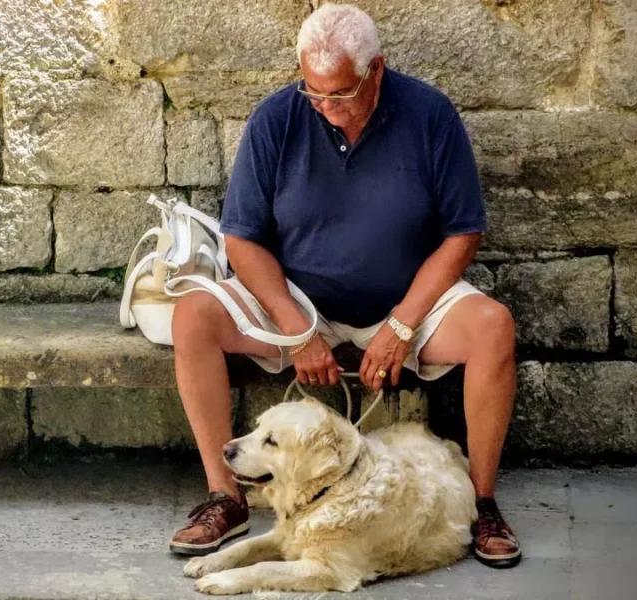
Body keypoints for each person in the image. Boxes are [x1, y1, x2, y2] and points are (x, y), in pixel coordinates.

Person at [167, 3, 521, 569]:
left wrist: (403, 323)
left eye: (341, 94)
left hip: (408, 301)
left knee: (493, 328)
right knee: (193, 316)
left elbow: (463, 232)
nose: (327, 108)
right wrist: (296, 328)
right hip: (299, 303)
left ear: (375, 69)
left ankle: (482, 503)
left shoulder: (429, 114)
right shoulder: (277, 118)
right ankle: (225, 496)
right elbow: (242, 240)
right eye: (314, 92)